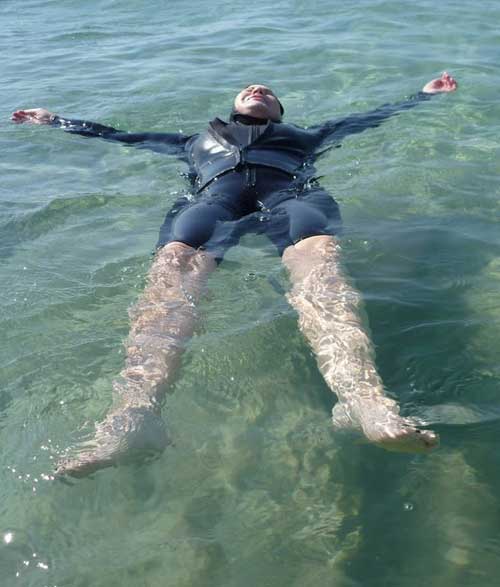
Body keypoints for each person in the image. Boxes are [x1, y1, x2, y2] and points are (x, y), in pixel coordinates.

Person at [12, 72, 458, 477]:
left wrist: (422, 95)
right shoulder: (195, 141)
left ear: (279, 112)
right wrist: (55, 120)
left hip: (291, 198)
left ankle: (362, 401)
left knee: (321, 265)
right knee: (174, 268)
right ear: (234, 107)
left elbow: (367, 119)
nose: (258, 89)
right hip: (212, 202)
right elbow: (121, 136)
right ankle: (134, 415)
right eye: (249, 88)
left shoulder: (305, 136)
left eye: (269, 91)